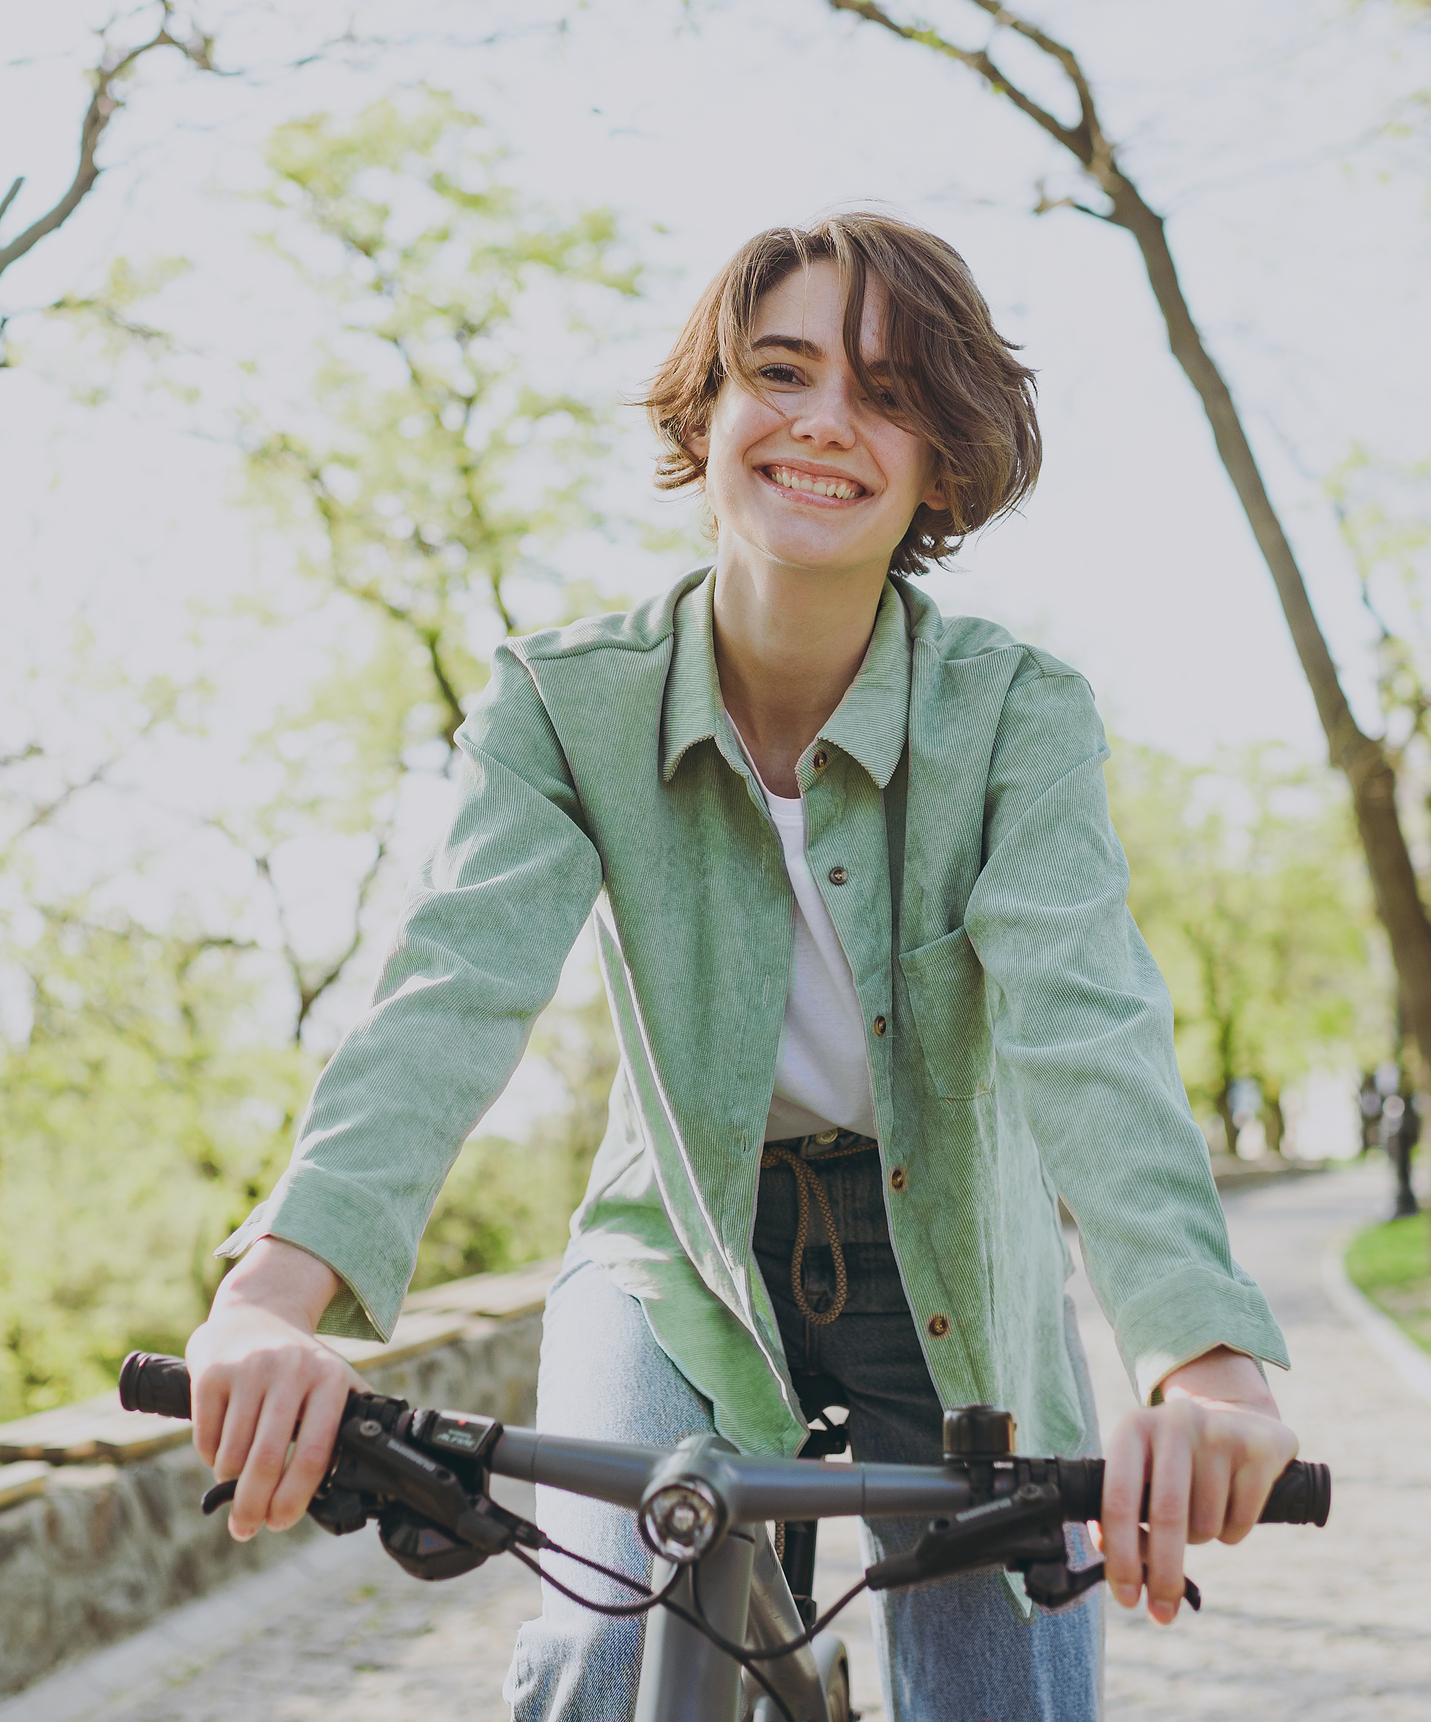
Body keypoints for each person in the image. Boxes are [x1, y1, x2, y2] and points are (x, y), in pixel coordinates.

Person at [187, 213, 1297, 1722]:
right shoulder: (559, 706)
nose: (825, 420)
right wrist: (270, 1298)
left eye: (889, 392)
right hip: (674, 1242)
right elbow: (446, 993)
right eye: (778, 370)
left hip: (954, 1257)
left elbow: (1089, 1024)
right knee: (601, 1642)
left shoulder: (1017, 718)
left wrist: (1207, 1356)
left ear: (941, 461)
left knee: (999, 1694)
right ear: (704, 411)